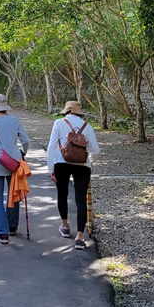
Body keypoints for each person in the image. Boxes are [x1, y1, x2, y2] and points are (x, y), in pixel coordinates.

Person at [47, 100, 101, 250]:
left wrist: (50, 168)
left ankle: (64, 226)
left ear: (67, 110)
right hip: (82, 166)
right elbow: (96, 150)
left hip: (61, 163)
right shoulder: (88, 126)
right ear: (79, 112)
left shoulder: (58, 123)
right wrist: (89, 161)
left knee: (62, 194)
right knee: (80, 199)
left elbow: (52, 146)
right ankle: (80, 237)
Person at [0, 93, 30, 244]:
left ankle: (2, 234)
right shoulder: (14, 120)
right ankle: (12, 227)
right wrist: (22, 154)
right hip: (13, 163)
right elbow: (26, 140)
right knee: (13, 193)